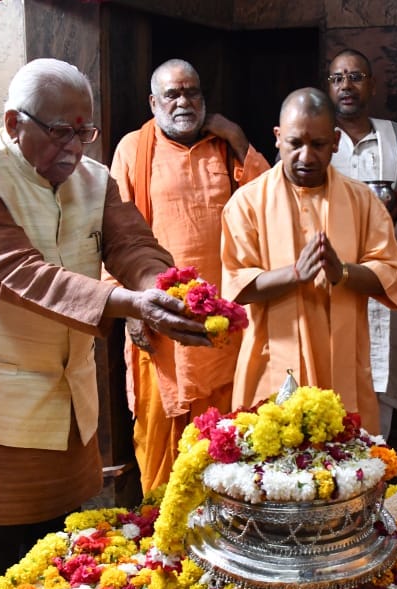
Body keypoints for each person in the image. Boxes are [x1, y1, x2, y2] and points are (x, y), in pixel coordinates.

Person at [0, 58, 209, 589]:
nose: (75, 147)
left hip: (68, 410)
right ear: (14, 123)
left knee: (62, 576)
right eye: (60, 132)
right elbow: (15, 274)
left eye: (86, 131)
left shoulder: (94, 180)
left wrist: (160, 286)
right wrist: (130, 304)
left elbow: (133, 246)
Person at [110, 59, 270, 495]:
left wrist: (238, 140)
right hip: (158, 315)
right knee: (159, 428)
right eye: (172, 95)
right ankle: (163, 530)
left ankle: (222, 526)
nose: (184, 102)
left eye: (192, 92)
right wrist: (130, 310)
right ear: (153, 102)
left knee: (224, 431)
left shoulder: (223, 147)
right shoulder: (132, 150)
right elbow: (111, 234)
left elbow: (269, 206)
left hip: (224, 321)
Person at [220, 88, 397, 435]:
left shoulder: (363, 201)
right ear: (277, 138)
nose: (306, 156)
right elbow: (236, 285)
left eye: (318, 144)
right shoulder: (246, 203)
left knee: (343, 471)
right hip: (271, 360)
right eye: (295, 143)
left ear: (335, 141)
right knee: (272, 472)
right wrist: (294, 274)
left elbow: (389, 272)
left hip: (342, 364)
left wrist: (344, 272)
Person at [326, 48, 397, 438]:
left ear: (371, 85)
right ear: (329, 87)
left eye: (356, 76)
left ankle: (374, 471)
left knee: (378, 374)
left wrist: (394, 220)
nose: (347, 85)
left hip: (380, 279)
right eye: (338, 78)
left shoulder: (394, 137)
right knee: (326, 376)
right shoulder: (314, 137)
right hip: (327, 280)